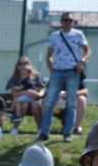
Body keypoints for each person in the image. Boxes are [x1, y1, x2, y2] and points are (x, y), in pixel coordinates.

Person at [37, 12, 90, 142]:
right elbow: (49, 55)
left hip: (72, 72)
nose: (67, 22)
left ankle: (68, 133)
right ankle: (44, 132)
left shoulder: (78, 35)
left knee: (71, 103)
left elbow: (87, 50)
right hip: (57, 72)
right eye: (65, 20)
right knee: (49, 102)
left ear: (73, 22)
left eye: (70, 20)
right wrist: (51, 70)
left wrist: (81, 61)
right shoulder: (54, 36)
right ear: (61, 22)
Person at [5, 57, 45, 134]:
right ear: (17, 65)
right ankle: (15, 128)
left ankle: (40, 128)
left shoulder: (36, 75)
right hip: (21, 101)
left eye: (25, 63)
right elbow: (13, 93)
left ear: (29, 64)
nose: (22, 65)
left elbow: (41, 89)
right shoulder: (14, 77)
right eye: (20, 63)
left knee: (35, 104)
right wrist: (25, 92)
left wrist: (38, 94)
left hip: (34, 99)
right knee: (24, 105)